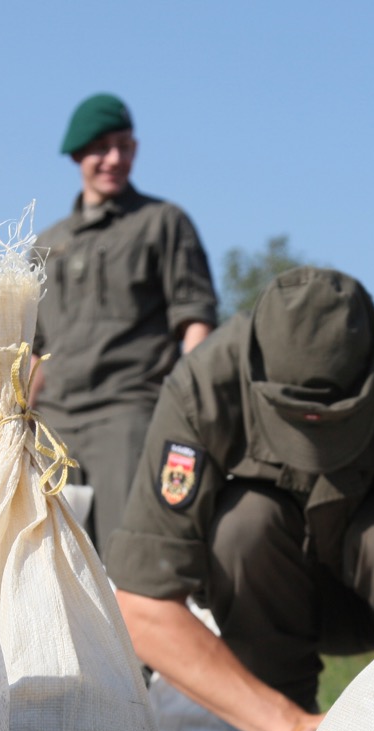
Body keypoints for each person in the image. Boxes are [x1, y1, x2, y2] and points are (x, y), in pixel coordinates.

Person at [105, 268, 374, 731]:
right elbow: (142, 608)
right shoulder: (203, 387)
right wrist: (289, 724)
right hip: (268, 603)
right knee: (242, 526)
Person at [30, 92, 219, 550]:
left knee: (129, 555)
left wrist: (183, 405)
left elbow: (196, 321)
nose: (113, 159)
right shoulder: (45, 243)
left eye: (124, 146)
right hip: (54, 419)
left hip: (130, 411)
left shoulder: (162, 223)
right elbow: (31, 349)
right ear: (77, 153)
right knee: (45, 561)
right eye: (100, 147)